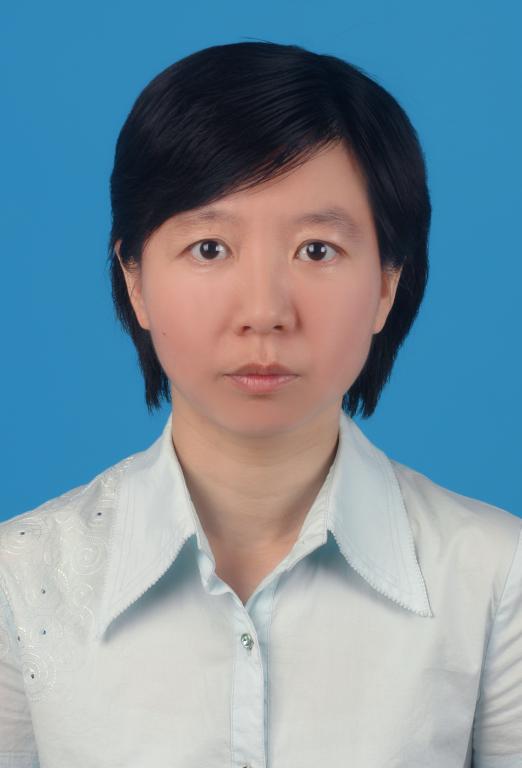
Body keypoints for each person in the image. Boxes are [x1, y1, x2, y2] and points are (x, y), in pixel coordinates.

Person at [0, 40, 520, 768]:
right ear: (135, 280)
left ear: (386, 284)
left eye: (317, 250)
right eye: (210, 248)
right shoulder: (20, 580)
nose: (265, 312)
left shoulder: (496, 577)